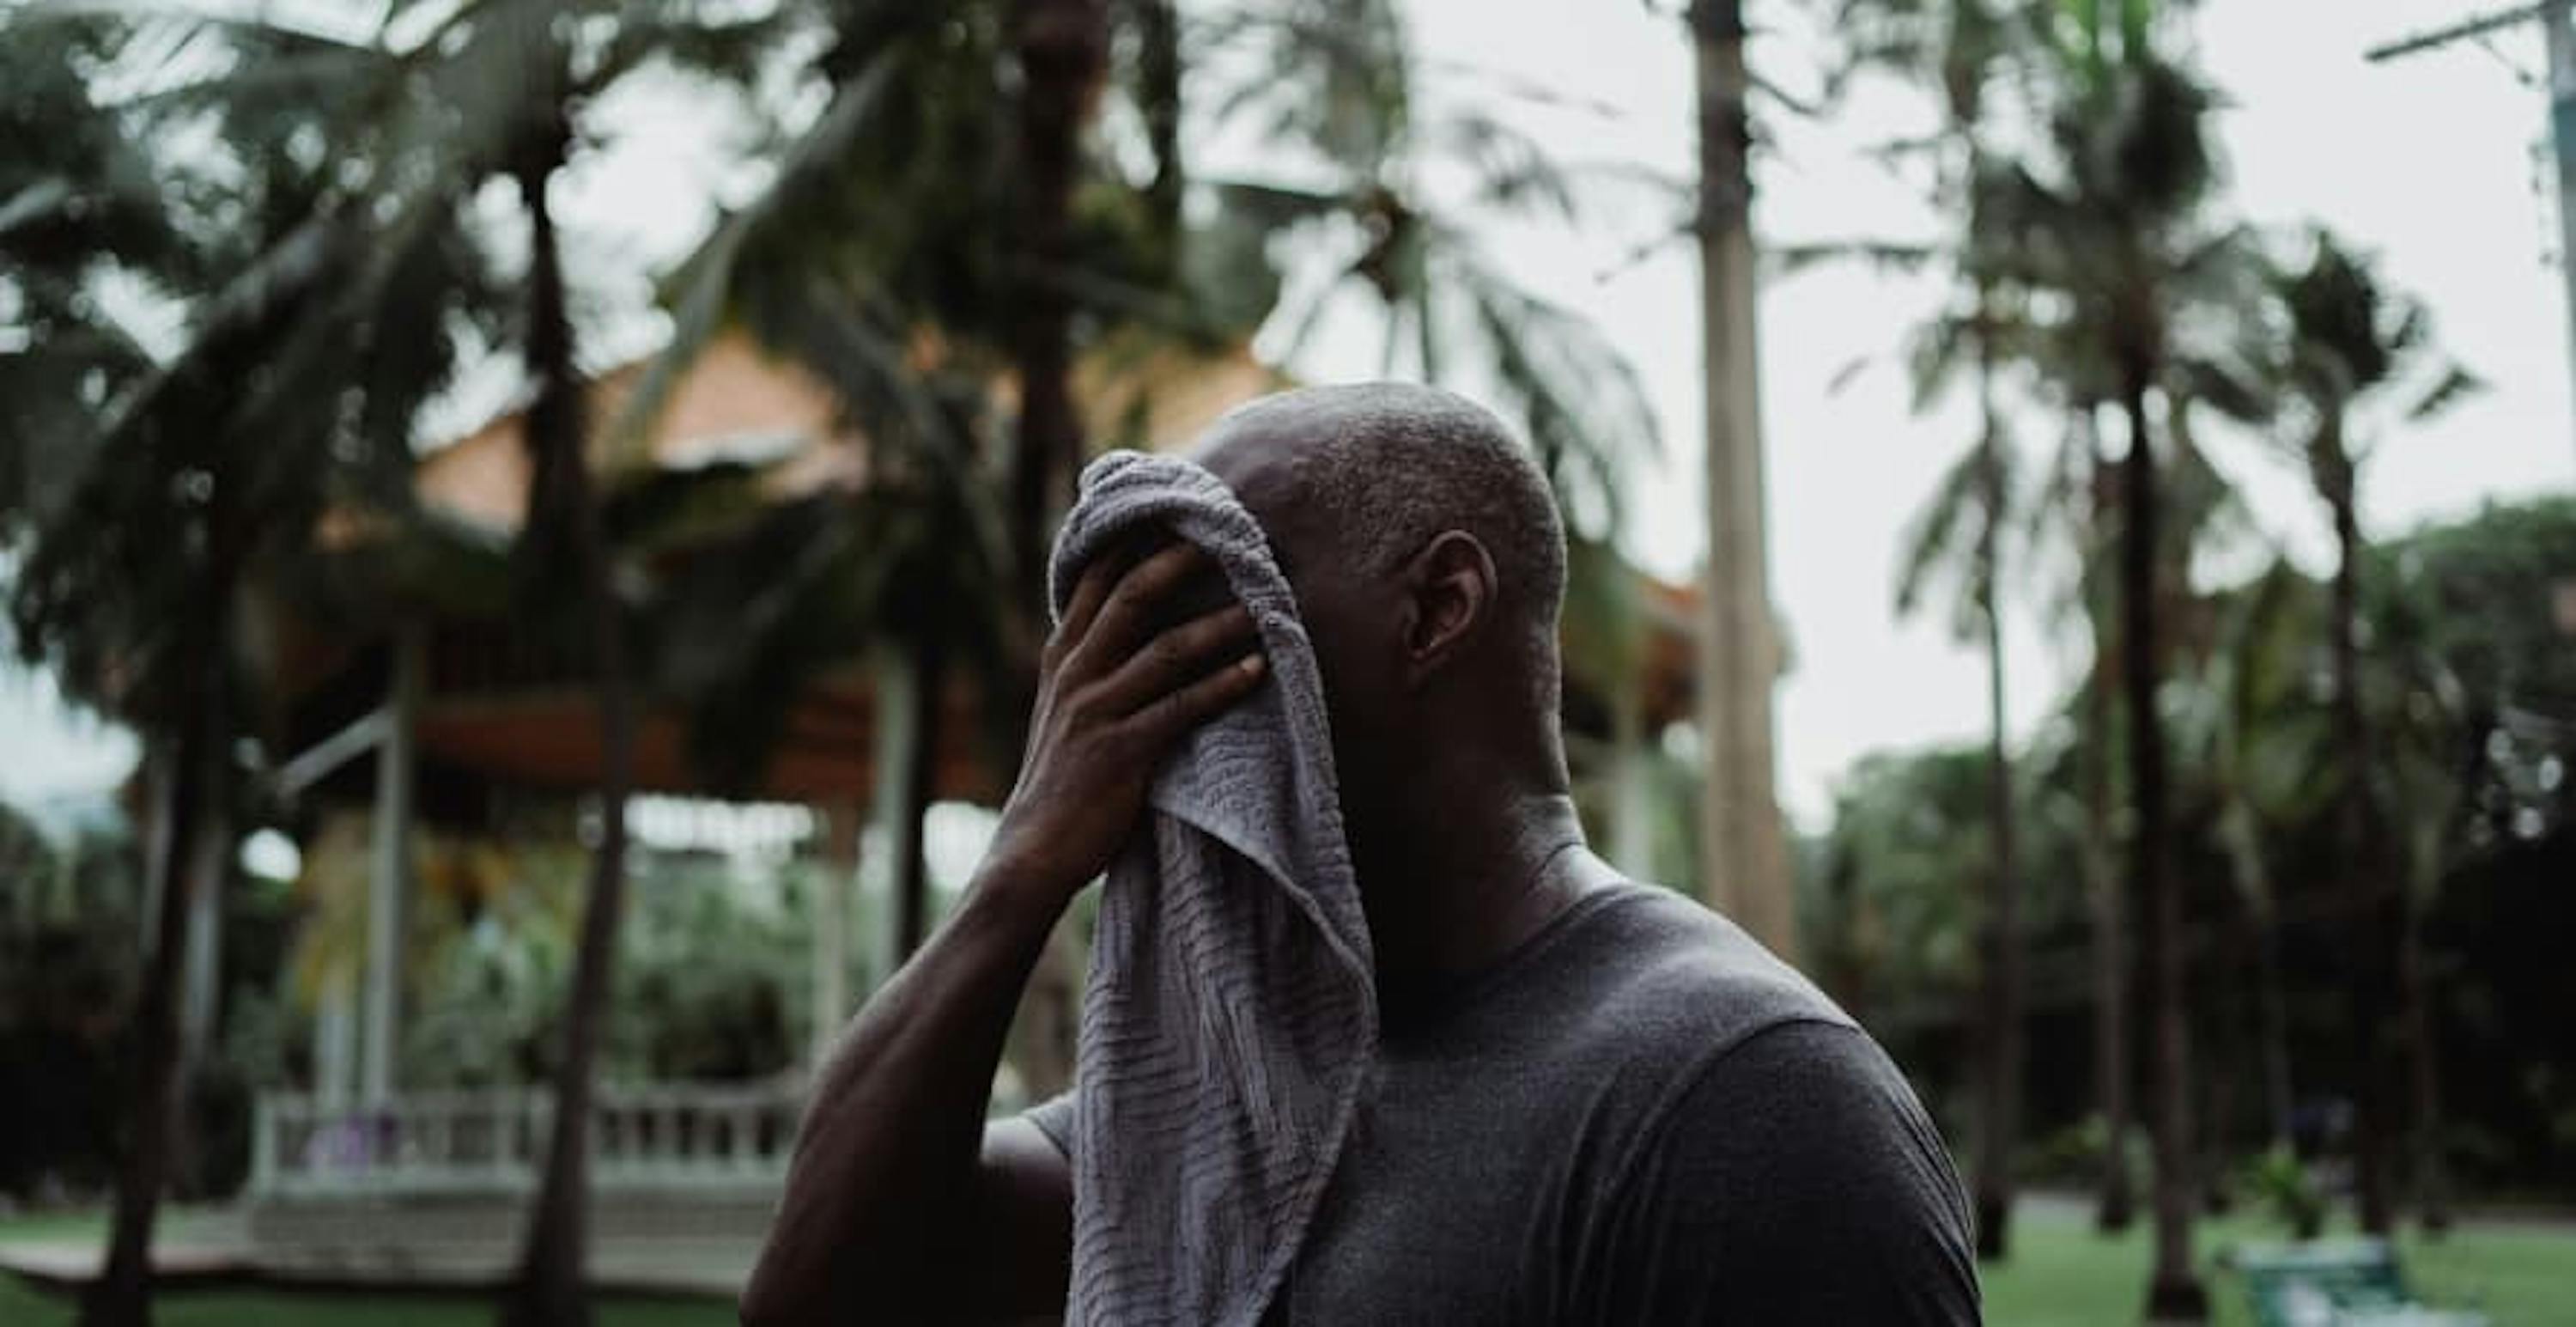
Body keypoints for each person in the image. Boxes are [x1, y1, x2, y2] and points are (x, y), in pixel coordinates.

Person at [741, 385, 1982, 1325]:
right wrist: (1021, 863)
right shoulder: (1235, 1097)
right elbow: (820, 1304)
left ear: (1437, 609)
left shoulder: (1737, 1097)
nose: (1130, 673)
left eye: (1214, 587)